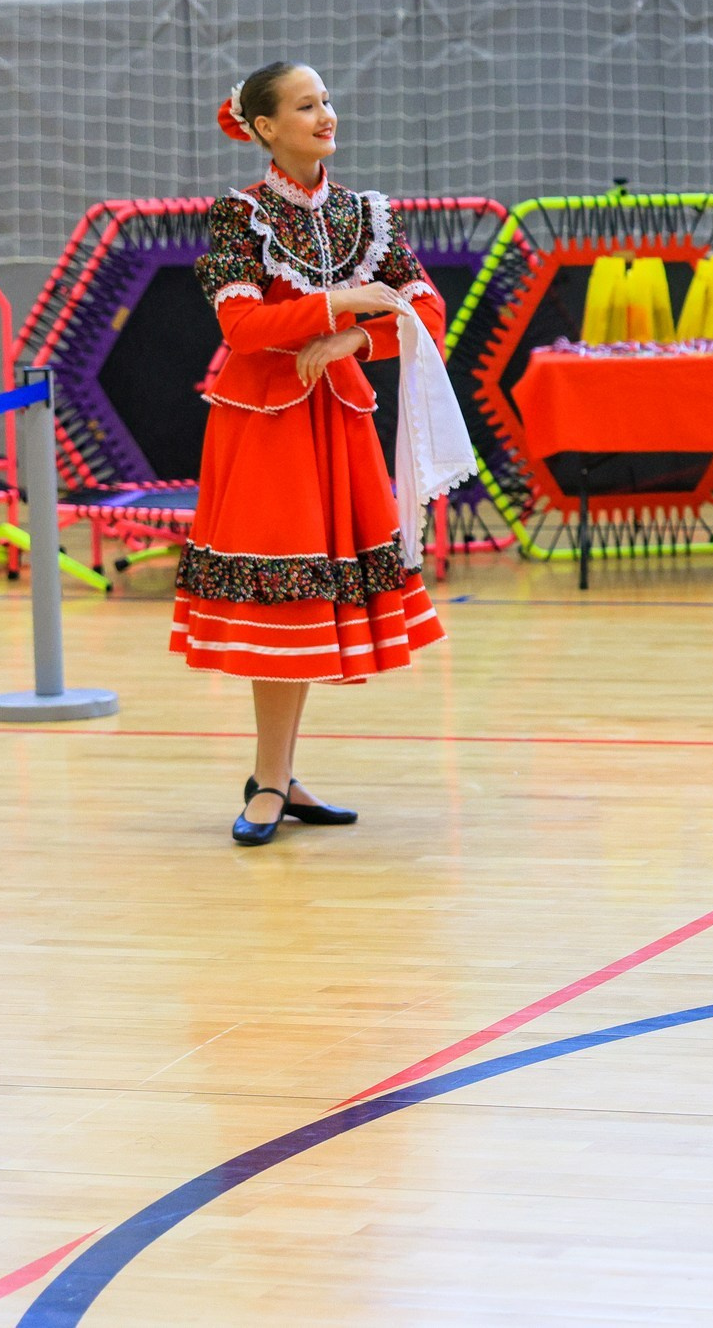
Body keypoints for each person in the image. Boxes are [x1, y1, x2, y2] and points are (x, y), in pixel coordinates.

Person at [179, 61, 448, 845]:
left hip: (337, 418)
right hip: (263, 424)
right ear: (265, 127)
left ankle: (278, 776)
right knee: (284, 600)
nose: (325, 114)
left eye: (326, 100)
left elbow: (424, 308)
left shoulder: (367, 216)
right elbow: (243, 331)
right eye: (306, 105)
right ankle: (270, 781)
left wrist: (357, 336)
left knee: (312, 603)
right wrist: (342, 301)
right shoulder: (238, 216)